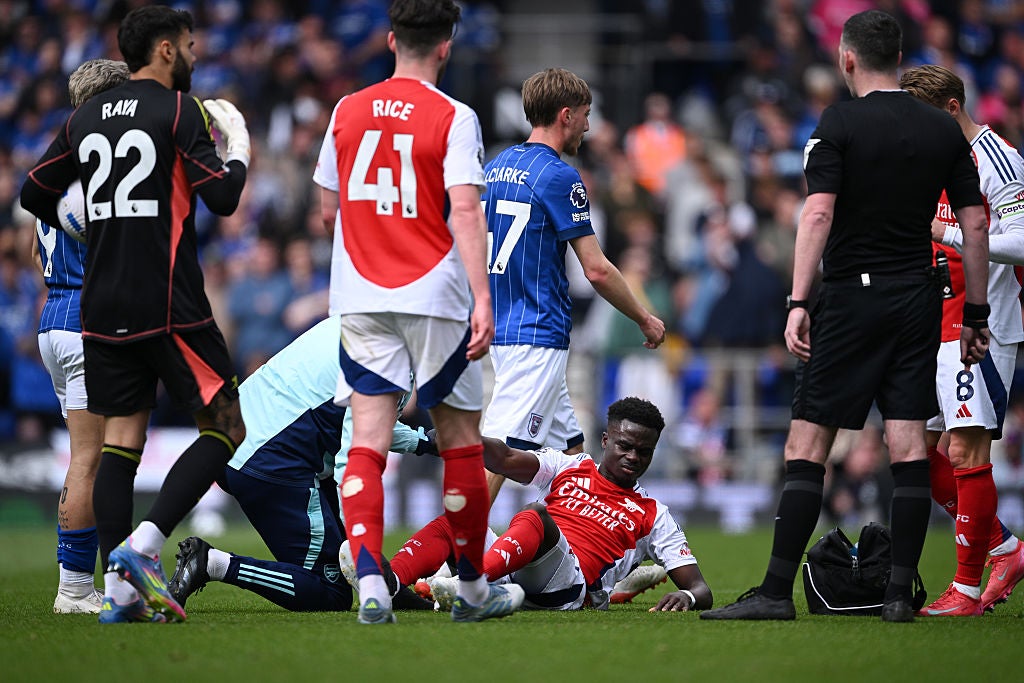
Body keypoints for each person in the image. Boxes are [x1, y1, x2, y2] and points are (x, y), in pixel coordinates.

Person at [701, 9, 991, 623]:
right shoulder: (943, 131)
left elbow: (817, 215)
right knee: (909, 442)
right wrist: (976, 312)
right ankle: (896, 596)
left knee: (809, 441)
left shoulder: (839, 121)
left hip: (853, 299)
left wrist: (799, 300)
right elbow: (974, 224)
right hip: (922, 296)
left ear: (847, 58)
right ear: (901, 57)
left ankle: (776, 593)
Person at [20, 5, 251, 624]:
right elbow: (224, 199)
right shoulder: (179, 111)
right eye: (191, 45)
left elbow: (33, 193)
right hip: (168, 301)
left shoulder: (84, 117)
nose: (197, 56)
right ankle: (144, 549)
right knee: (227, 426)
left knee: (121, 442)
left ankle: (118, 593)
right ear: (166, 50)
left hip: (98, 308)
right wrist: (241, 152)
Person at [312, 0, 519, 624]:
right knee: (459, 442)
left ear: (389, 39)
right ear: (447, 46)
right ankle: (473, 587)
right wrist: (483, 297)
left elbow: (327, 211)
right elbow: (465, 208)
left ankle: (371, 578)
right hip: (434, 296)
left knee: (367, 440)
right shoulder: (454, 116)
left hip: (361, 295)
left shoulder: (346, 110)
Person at [166, 315, 433, 613]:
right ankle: (211, 564)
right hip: (272, 458)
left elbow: (362, 418)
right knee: (330, 591)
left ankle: (391, 588)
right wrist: (361, 542)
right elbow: (354, 456)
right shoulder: (386, 353)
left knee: (343, 565)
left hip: (244, 443)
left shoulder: (366, 322)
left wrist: (423, 442)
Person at [346, 397, 711, 613]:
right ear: (605, 439)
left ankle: (469, 585)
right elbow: (504, 459)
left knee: (536, 515)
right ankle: (389, 582)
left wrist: (688, 597)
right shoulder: (571, 466)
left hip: (568, 587)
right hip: (517, 564)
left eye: (643, 452)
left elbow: (700, 589)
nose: (633, 456)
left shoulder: (653, 514)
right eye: (624, 446)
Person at [481, 67, 665, 466]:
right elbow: (595, 269)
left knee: (573, 451)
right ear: (566, 115)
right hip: (535, 330)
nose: (588, 125)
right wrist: (644, 318)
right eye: (585, 114)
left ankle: (577, 526)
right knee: (502, 450)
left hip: (502, 324)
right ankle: (462, 530)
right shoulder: (560, 176)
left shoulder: (493, 169)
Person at [900, 63, 1024, 616]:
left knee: (969, 451)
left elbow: (1021, 242)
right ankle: (1004, 547)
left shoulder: (999, 160)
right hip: (930, 325)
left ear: (952, 109)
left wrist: (948, 232)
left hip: (982, 327)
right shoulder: (932, 162)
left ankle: (967, 589)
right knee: (914, 451)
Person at [31, 58, 129, 615]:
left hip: (55, 316)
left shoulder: (52, 165)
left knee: (85, 456)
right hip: (88, 323)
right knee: (92, 459)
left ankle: (91, 580)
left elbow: (35, 249)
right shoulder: (100, 170)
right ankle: (75, 588)